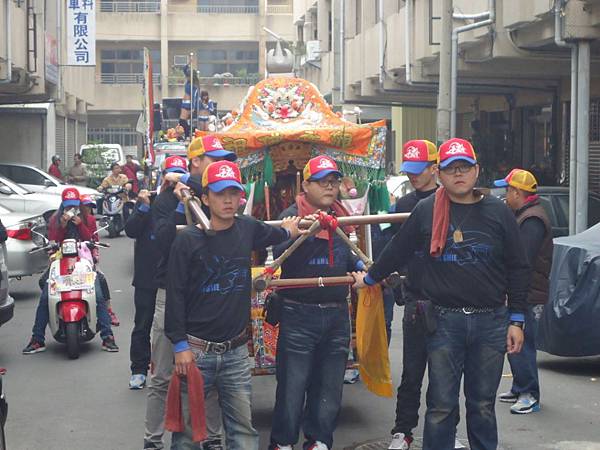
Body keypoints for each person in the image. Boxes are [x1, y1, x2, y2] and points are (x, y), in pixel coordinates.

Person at [353, 138, 529, 450]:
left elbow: (518, 267)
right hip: (444, 323)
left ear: (476, 171)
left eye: (464, 167)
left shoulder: (499, 213)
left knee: (483, 405)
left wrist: (517, 318)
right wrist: (370, 277)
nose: (458, 174)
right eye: (451, 169)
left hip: (490, 323)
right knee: (441, 406)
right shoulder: (427, 210)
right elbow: (397, 250)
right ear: (441, 173)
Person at [166, 160, 303, 450]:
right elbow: (175, 294)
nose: (228, 200)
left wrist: (291, 229)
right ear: (205, 197)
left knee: (243, 432)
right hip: (196, 352)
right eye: (219, 193)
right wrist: (179, 346)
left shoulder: (247, 228)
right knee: (188, 437)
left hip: (236, 353)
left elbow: (278, 234)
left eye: (233, 193)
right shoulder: (187, 241)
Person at [143, 138, 236, 450]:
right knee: (163, 373)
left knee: (207, 374)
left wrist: (188, 182)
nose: (222, 166)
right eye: (215, 158)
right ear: (195, 160)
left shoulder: (219, 194)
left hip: (205, 294)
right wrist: (182, 196)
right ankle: (153, 440)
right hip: (169, 294)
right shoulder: (167, 200)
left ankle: (211, 437)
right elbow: (159, 240)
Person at [269, 156, 366, 450]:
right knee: (292, 386)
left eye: (334, 181)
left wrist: (362, 270)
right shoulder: (290, 217)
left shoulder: (343, 217)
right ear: (306, 185)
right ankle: (283, 442)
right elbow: (279, 254)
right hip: (298, 312)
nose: (330, 186)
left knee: (330, 385)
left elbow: (352, 256)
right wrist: (300, 231)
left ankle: (320, 440)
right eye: (322, 181)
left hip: (337, 313)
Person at [22, 188, 118, 354]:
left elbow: (92, 239)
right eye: (68, 206)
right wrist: (63, 225)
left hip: (83, 263)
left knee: (98, 294)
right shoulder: (54, 220)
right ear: (63, 205)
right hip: (60, 262)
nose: (70, 210)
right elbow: (53, 240)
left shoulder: (87, 219)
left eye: (74, 206)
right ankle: (37, 339)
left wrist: (80, 225)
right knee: (45, 296)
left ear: (79, 205)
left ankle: (107, 337)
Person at [494, 169, 553, 414]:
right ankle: (520, 387)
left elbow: (523, 260)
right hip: (523, 292)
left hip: (529, 294)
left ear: (517, 192)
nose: (505, 195)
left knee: (523, 344)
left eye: (507, 190)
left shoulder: (532, 220)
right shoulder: (522, 215)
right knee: (515, 343)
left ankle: (529, 393)